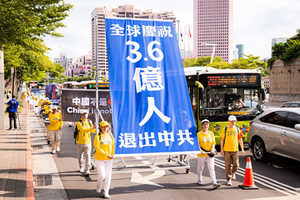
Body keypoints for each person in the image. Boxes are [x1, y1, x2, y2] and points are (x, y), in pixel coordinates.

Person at [220, 115, 245, 186]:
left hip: (235, 150)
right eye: (232, 121)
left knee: (236, 165)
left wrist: (242, 149)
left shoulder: (237, 129)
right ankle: (229, 180)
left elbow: (240, 139)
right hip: (227, 151)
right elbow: (222, 139)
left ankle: (233, 172)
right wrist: (221, 149)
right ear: (228, 121)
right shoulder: (225, 129)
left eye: (234, 121)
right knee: (227, 166)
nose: (233, 123)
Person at [197, 119, 221, 189]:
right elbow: (197, 145)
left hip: (210, 154)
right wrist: (201, 151)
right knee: (200, 167)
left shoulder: (211, 133)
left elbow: (213, 143)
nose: (205, 126)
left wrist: (212, 149)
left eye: (207, 124)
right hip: (201, 154)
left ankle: (214, 182)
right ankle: (199, 179)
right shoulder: (198, 134)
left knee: (211, 168)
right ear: (202, 125)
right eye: (204, 124)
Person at [94, 120, 114, 199]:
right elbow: (97, 148)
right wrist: (107, 154)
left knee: (108, 175)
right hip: (100, 158)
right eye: (103, 126)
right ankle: (99, 185)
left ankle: (106, 191)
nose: (105, 128)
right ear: (100, 127)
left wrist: (112, 155)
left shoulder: (110, 135)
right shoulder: (97, 136)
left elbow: (113, 146)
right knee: (102, 175)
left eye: (106, 126)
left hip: (109, 159)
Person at [76, 110, 96, 176]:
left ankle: (87, 170)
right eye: (83, 114)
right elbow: (83, 131)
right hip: (80, 142)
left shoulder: (90, 122)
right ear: (81, 115)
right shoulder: (79, 123)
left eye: (86, 114)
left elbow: (92, 131)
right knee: (80, 156)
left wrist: (96, 129)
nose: (85, 115)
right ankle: (81, 167)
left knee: (88, 157)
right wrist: (92, 128)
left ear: (87, 114)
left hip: (88, 142)